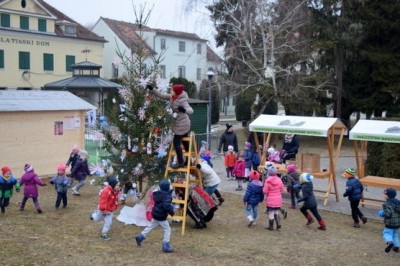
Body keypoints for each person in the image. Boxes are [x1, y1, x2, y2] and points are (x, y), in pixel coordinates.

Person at [148, 83, 193, 169]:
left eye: (172, 90)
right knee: (185, 143)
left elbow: (191, 111)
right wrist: (153, 90)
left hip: (183, 124)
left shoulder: (182, 100)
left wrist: (184, 110)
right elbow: (162, 96)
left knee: (176, 143)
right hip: (178, 123)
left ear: (177, 92)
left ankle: (180, 162)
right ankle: (188, 161)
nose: (171, 91)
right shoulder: (172, 96)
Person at [135, 180, 175, 253]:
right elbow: (166, 205)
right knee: (167, 229)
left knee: (151, 226)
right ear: (168, 187)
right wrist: (172, 211)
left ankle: (140, 237)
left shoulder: (157, 194)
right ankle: (165, 245)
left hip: (155, 213)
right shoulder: (167, 196)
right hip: (161, 215)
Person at [377, 188, 400, 253]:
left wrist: (381, 213)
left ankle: (390, 242)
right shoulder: (398, 202)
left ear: (387, 195)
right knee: (394, 234)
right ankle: (396, 247)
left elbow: (388, 214)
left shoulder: (386, 204)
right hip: (397, 223)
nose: (384, 195)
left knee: (387, 233)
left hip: (390, 223)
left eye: (384, 194)